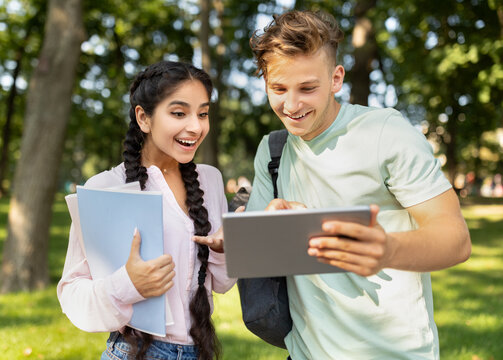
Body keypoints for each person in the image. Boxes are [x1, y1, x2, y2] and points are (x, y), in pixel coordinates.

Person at [244, 10, 471, 359]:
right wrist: (278, 226)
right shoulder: (273, 151)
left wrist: (389, 249)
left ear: (336, 79)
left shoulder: (386, 132)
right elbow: (257, 257)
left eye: (307, 88)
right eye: (279, 88)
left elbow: (456, 240)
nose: (291, 105)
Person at [57, 61, 235, 360]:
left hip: (201, 350)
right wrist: (127, 285)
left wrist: (224, 248)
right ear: (144, 118)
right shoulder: (105, 186)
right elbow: (72, 294)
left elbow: (222, 283)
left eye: (203, 113)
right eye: (179, 113)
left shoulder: (210, 180)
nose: (196, 126)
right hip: (134, 351)